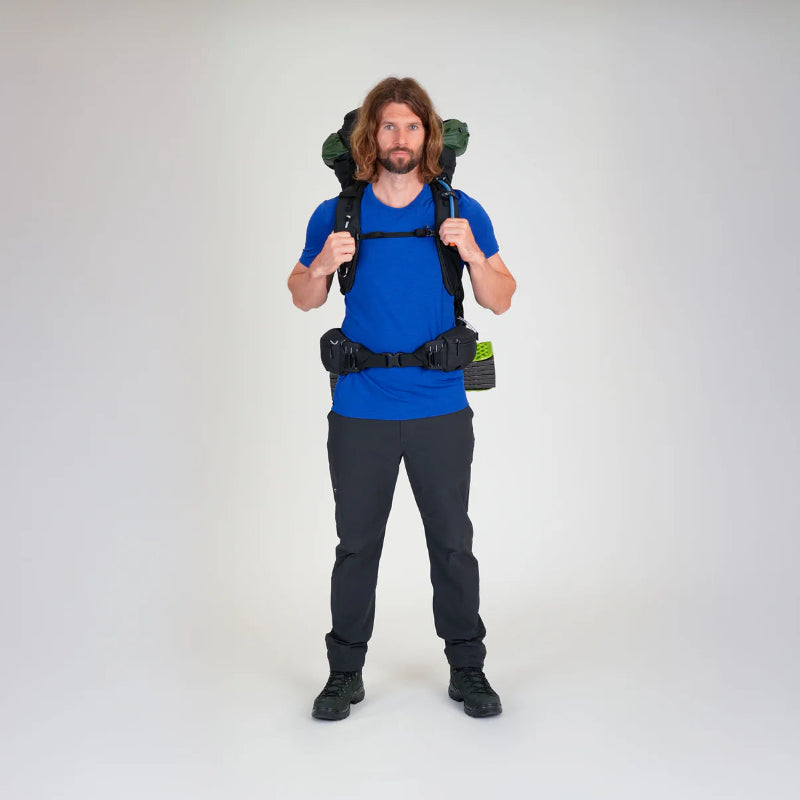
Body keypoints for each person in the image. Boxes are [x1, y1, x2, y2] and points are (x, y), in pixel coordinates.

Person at [287, 77, 516, 720]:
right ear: (369, 135)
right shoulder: (337, 214)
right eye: (388, 126)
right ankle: (343, 674)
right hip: (360, 409)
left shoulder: (458, 207)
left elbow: (500, 297)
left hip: (441, 405)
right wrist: (321, 266)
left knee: (452, 542)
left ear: (429, 136)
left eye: (411, 127)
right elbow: (303, 297)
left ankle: (468, 671)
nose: (400, 139)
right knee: (357, 546)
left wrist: (470, 249)